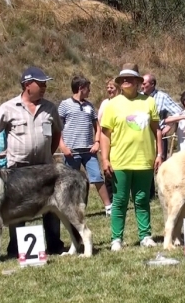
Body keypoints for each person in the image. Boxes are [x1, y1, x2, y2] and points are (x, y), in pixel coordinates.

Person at [0, 67, 65, 257]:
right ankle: (16, 248)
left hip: (44, 168)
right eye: (41, 83)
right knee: (16, 210)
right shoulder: (8, 107)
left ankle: (55, 245)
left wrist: (48, 151)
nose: (45, 86)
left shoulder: (50, 108)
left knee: (52, 207)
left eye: (45, 83)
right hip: (17, 170)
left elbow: (57, 134)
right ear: (27, 85)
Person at [100, 63, 163, 251]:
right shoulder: (112, 105)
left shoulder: (148, 102)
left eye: (130, 78)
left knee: (142, 200)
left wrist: (159, 153)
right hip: (119, 160)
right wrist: (105, 159)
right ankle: (116, 238)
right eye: (122, 79)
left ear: (138, 82)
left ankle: (145, 236)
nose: (126, 81)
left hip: (144, 160)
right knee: (119, 201)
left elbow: (156, 130)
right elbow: (105, 134)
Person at [58, 75, 112, 216]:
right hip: (71, 151)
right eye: (88, 88)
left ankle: (108, 207)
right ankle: (69, 209)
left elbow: (97, 127)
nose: (90, 91)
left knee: (97, 178)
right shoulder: (64, 105)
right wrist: (62, 146)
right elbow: (57, 127)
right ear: (81, 88)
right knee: (69, 182)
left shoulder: (89, 106)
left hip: (89, 151)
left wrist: (97, 142)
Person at [141, 73, 185, 200]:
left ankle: (164, 191)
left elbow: (179, 111)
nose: (142, 86)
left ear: (152, 84)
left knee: (160, 163)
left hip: (158, 135)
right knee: (145, 163)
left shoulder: (162, 97)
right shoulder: (139, 97)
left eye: (144, 83)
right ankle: (148, 193)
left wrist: (168, 125)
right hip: (143, 136)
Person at [98, 78, 120, 203]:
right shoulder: (105, 103)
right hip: (107, 138)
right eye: (108, 88)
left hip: (121, 139)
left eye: (111, 87)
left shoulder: (123, 102)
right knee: (108, 168)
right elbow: (99, 122)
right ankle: (111, 198)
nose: (109, 90)